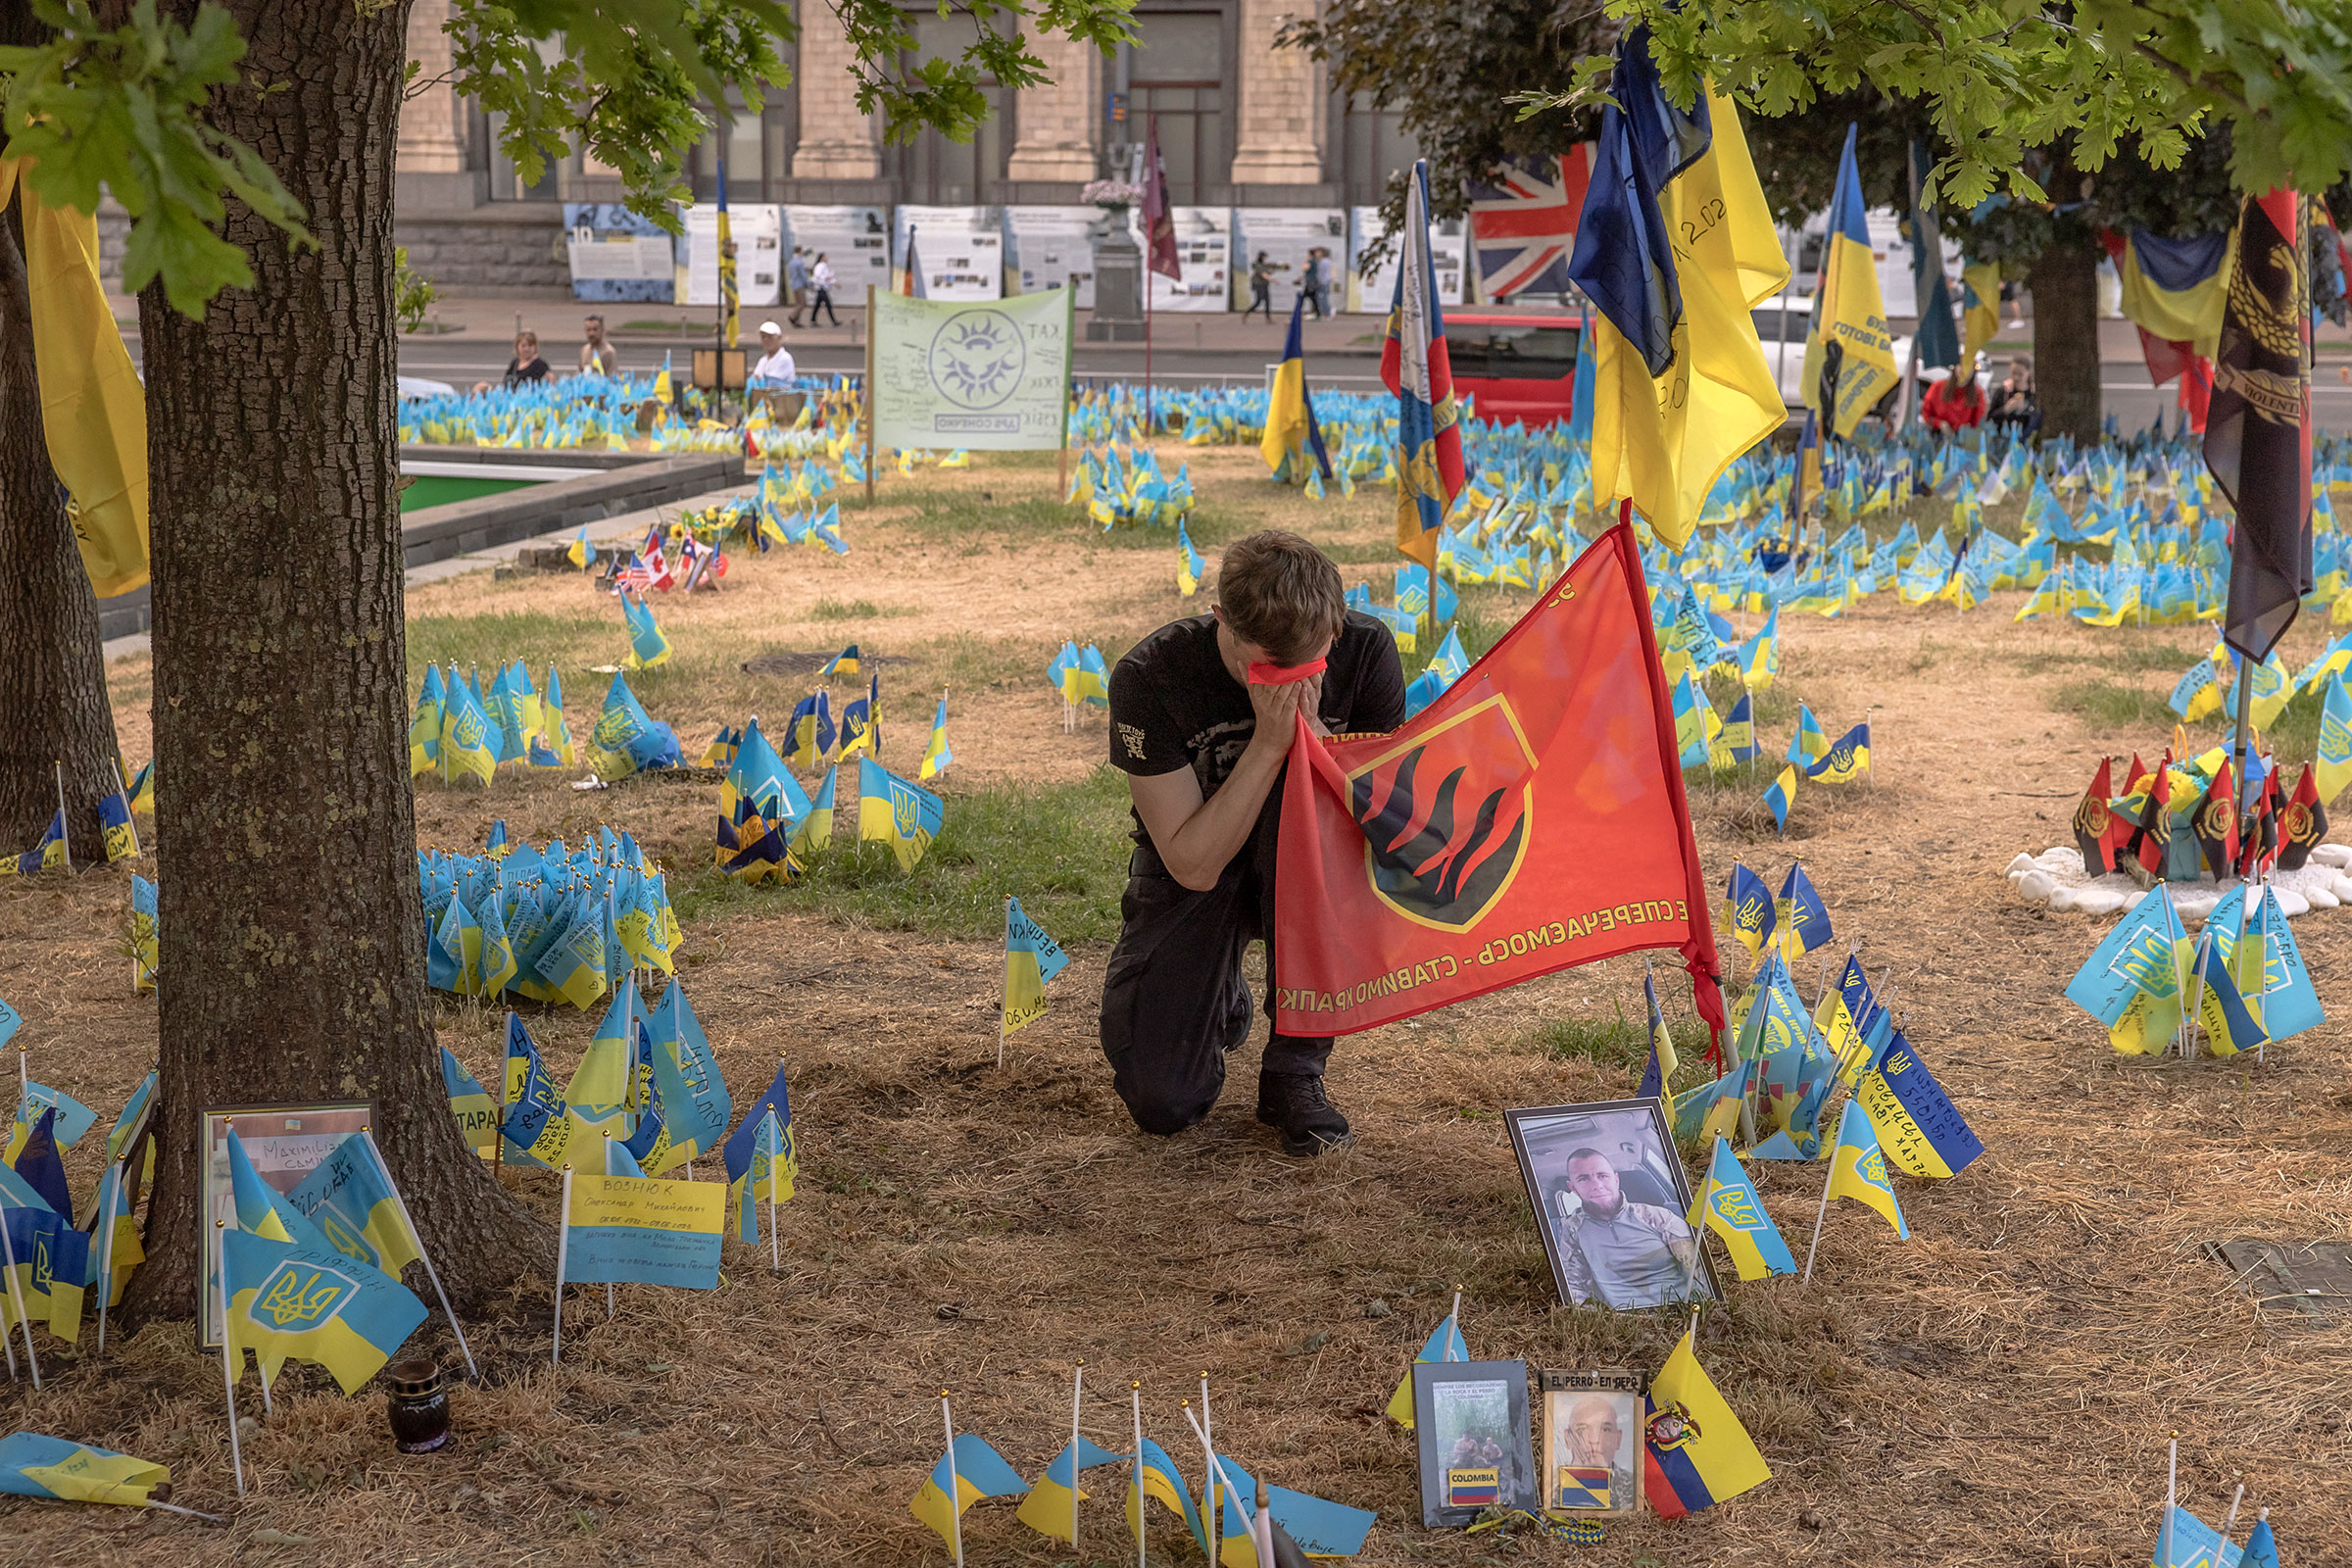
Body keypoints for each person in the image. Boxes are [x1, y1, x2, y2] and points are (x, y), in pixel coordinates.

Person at [1101, 530, 1406, 1155]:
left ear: (1336, 630)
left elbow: (1379, 829)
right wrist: (1269, 745)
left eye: (1311, 666)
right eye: (1269, 668)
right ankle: (1221, 996)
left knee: (1305, 833)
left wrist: (1316, 745)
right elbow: (1189, 863)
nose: (1290, 685)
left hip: (1309, 863)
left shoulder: (1367, 649)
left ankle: (1295, 1070)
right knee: (1165, 1103)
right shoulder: (1151, 676)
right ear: (1223, 623)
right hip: (1198, 861)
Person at [1553, 1147, 1695, 1308]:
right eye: (1583, 1179)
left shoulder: (1658, 1217)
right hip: (1624, 1319)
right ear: (1572, 1187)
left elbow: (1697, 1267)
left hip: (1681, 1308)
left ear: (1616, 1179)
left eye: (1602, 1176)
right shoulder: (1572, 1230)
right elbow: (1572, 1283)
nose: (1597, 1185)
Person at [1558, 1395, 1636, 1510]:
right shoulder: (1553, 1484)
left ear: (1618, 1439)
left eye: (1606, 1429)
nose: (1594, 1440)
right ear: (1568, 1438)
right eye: (1582, 1429)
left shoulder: (1633, 1487)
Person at [473, 329, 549, 394]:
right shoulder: (515, 362)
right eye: (523, 346)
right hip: (509, 398)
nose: (527, 349)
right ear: (517, 346)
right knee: (481, 387)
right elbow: (505, 382)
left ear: (535, 347)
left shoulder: (540, 364)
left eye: (530, 345)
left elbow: (549, 384)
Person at [1921, 358, 1986, 431]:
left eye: (1969, 367)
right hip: (1937, 433)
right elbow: (1926, 413)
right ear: (1955, 367)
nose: (1965, 370)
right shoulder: (1938, 387)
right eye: (1962, 365)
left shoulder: (1977, 393)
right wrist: (1939, 423)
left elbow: (1977, 421)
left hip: (1963, 436)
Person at [1986, 355, 2038, 437]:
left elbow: (2038, 419)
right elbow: (1990, 418)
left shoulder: (2034, 393)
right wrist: (2005, 409)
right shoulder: (2002, 392)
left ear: (2028, 372)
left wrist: (2026, 409)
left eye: (2020, 374)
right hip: (2003, 439)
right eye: (2013, 373)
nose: (2016, 377)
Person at [749, 319, 796, 387]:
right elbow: (754, 379)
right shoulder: (763, 360)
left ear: (779, 337)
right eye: (763, 337)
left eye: (770, 337)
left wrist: (757, 380)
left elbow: (772, 383)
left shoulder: (785, 358)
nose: (766, 340)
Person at [809, 253, 840, 326]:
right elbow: (818, 275)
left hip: (823, 287)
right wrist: (826, 278)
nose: (827, 258)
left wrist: (834, 283)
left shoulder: (824, 266)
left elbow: (827, 277)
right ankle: (834, 321)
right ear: (822, 258)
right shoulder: (820, 266)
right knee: (828, 304)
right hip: (821, 287)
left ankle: (813, 320)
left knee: (817, 305)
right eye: (825, 257)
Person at [1246, 251, 1274, 321]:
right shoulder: (1258, 265)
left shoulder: (1264, 265)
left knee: (1267, 301)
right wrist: (1272, 280)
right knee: (1258, 302)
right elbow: (1264, 275)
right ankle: (1247, 312)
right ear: (1261, 257)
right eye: (1264, 257)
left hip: (1264, 285)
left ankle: (1268, 318)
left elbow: (1268, 273)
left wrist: (1274, 269)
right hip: (1259, 285)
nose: (1265, 258)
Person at [786, 248, 810, 327]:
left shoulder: (791, 262)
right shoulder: (799, 262)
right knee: (802, 303)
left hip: (793, 284)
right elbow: (803, 275)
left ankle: (796, 321)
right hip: (799, 285)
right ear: (800, 252)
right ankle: (792, 316)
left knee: (798, 303)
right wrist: (808, 284)